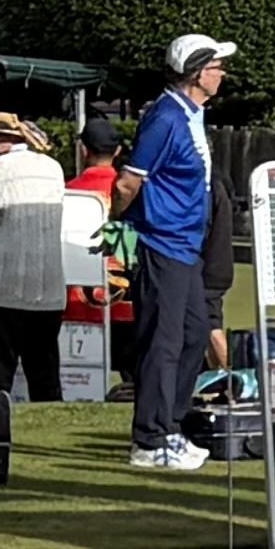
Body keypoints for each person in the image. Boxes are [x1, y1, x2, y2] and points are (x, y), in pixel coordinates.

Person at [114, 34, 235, 470]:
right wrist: (118, 224)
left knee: (194, 333)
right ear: (197, 72)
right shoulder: (166, 118)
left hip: (186, 246)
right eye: (216, 67)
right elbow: (128, 182)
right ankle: (150, 439)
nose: (222, 74)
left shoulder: (192, 114)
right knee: (162, 343)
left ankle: (171, 425)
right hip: (161, 242)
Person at [0, 112, 89, 402]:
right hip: (49, 291)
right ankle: (51, 423)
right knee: (45, 376)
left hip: (4, 290)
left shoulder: (1, 168)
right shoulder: (53, 167)